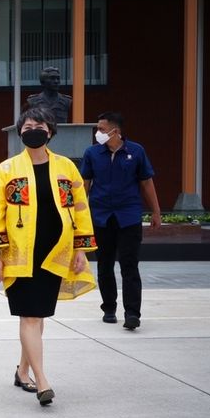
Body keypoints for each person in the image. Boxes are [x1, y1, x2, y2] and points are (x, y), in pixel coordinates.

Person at [0, 107, 97, 407]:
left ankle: (22, 371)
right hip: (20, 255)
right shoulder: (7, 169)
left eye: (39, 125)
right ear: (20, 131)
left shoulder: (67, 169)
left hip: (54, 254)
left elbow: (80, 210)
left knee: (38, 315)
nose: (32, 129)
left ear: (50, 131)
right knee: (31, 316)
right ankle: (42, 381)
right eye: (27, 125)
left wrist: (80, 250)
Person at [80, 111, 161, 331]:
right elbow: (84, 185)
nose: (98, 133)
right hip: (101, 217)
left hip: (128, 217)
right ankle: (109, 308)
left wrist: (156, 211)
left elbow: (146, 183)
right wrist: (79, 216)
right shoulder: (92, 153)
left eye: (102, 129)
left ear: (116, 131)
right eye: (98, 129)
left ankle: (132, 313)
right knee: (105, 265)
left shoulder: (136, 151)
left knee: (129, 266)